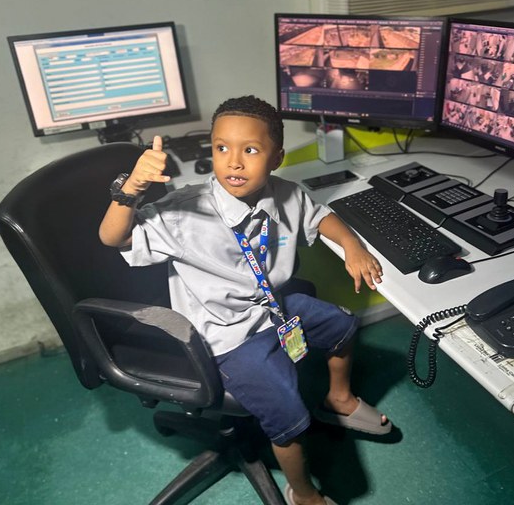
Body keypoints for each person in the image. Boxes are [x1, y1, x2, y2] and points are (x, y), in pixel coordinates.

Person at [99, 95, 391, 505]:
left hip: (275, 308)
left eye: (250, 150)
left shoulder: (285, 193)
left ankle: (338, 399)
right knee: (289, 417)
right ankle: (303, 494)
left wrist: (352, 245)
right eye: (222, 148)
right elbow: (113, 238)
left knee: (342, 324)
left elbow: (320, 215)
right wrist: (130, 189)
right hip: (227, 335)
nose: (233, 162)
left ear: (277, 158)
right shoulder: (183, 213)